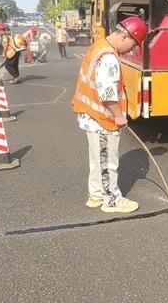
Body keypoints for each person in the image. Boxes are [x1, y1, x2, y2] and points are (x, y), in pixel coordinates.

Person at [72, 16, 148, 213]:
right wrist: (119, 115)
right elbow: (107, 93)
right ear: (125, 36)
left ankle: (96, 195)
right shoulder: (109, 57)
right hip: (102, 119)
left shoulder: (100, 46)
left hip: (91, 114)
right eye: (133, 44)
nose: (132, 49)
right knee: (108, 161)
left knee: (97, 159)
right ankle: (112, 200)